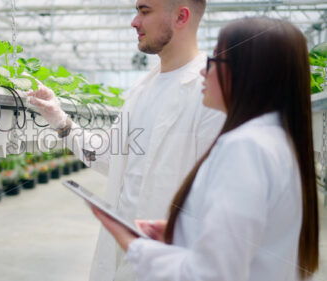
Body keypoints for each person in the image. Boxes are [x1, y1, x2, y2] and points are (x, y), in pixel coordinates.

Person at [92, 17, 320, 281]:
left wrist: (135, 245)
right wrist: (181, 231)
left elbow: (213, 273)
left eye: (214, 61)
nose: (203, 71)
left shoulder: (245, 148)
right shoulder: (274, 140)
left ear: (247, 73)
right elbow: (242, 237)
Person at [27, 0, 225, 280]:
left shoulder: (211, 91)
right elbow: (106, 156)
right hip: (125, 255)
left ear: (181, 17)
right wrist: (59, 119)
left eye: (144, 11)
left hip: (175, 263)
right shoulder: (141, 90)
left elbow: (221, 200)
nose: (134, 22)